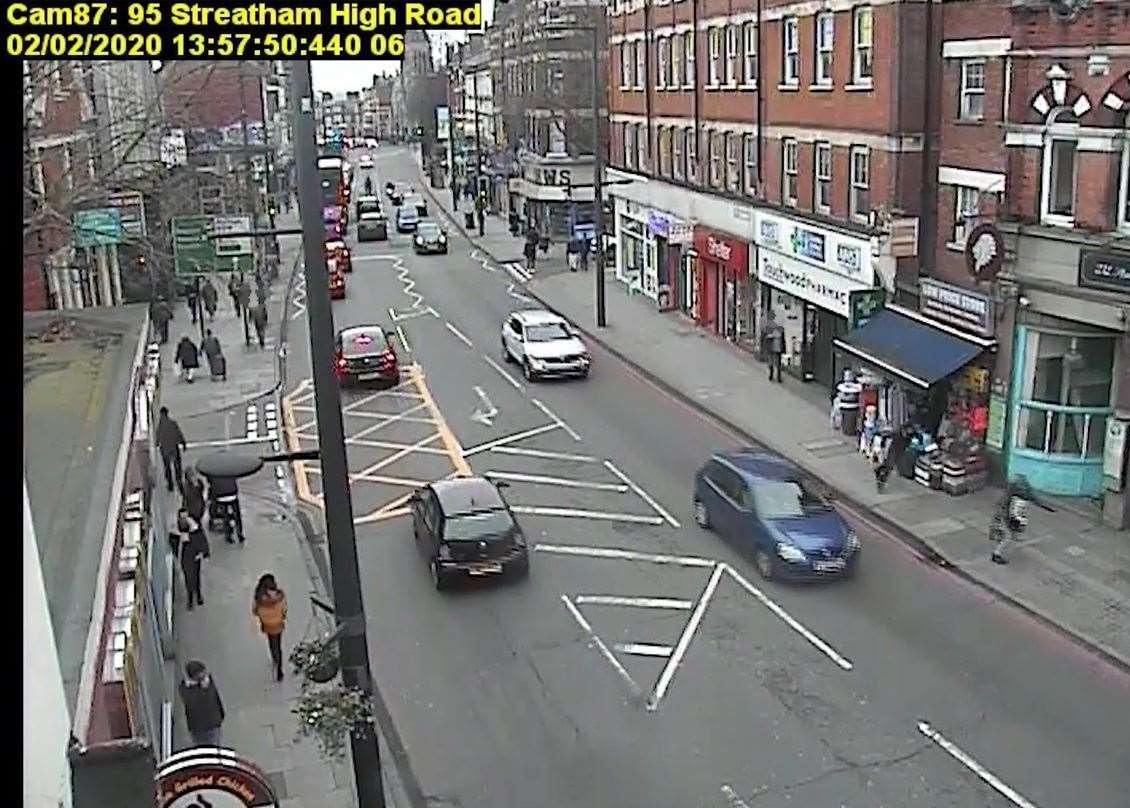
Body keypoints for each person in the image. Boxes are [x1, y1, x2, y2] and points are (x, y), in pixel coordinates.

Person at [991, 475, 1053, 565]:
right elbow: (1002, 510)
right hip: (1005, 517)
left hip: (1011, 515)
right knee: (1008, 536)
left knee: (1012, 531)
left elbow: (1034, 499)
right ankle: (996, 554)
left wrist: (1047, 507)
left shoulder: (1014, 493)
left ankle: (1010, 537)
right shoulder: (1010, 497)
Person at [179, 660, 225, 747]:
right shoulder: (187, 689)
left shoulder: (207, 680)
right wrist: (204, 690)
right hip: (199, 728)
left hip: (214, 722)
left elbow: (215, 696)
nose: (205, 675)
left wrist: (221, 714)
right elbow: (193, 704)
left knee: (217, 746)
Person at [252, 574, 288, 682]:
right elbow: (284, 609)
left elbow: (255, 611)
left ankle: (274, 657)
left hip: (267, 625)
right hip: (278, 624)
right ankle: (279, 669)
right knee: (278, 645)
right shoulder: (279, 596)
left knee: (271, 643)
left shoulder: (259, 598)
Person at [175, 509, 209, 609]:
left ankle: (197, 595)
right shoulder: (179, 530)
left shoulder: (194, 529)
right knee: (189, 576)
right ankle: (192, 597)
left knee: (195, 576)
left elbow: (201, 539)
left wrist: (202, 552)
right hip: (186, 556)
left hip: (193, 555)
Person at [156, 407, 187, 494]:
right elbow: (178, 434)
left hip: (165, 450)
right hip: (174, 447)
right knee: (177, 466)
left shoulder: (159, 426)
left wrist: (157, 443)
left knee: (167, 467)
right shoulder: (172, 423)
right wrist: (183, 443)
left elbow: (157, 440)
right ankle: (179, 481)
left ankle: (170, 484)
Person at [207, 474, 245, 544]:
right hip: (232, 493)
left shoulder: (213, 469)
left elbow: (210, 481)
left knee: (225, 515)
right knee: (237, 514)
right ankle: (240, 534)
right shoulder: (228, 467)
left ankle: (228, 536)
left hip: (220, 495)